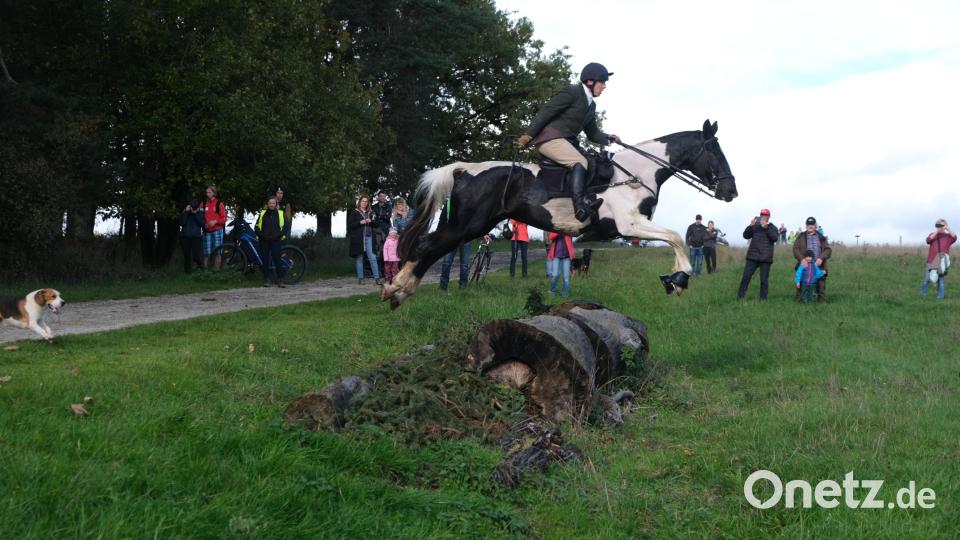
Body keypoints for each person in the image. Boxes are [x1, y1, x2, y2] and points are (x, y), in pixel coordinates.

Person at [516, 63, 621, 223]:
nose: (605, 87)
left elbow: (592, 133)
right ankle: (580, 206)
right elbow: (547, 112)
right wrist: (528, 135)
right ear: (590, 81)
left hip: (566, 142)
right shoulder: (573, 91)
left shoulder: (591, 105)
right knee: (580, 162)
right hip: (550, 139)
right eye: (603, 82)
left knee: (591, 163)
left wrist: (608, 138)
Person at [737, 209, 779, 301]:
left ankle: (763, 299)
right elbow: (745, 235)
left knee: (764, 280)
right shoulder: (755, 226)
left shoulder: (772, 227)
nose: (763, 217)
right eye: (762, 215)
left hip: (765, 258)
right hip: (752, 256)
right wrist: (750, 225)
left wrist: (766, 228)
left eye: (765, 215)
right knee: (746, 277)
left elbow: (775, 238)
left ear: (769, 217)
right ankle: (740, 298)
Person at [791, 216, 833, 303]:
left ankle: (821, 302)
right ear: (806, 226)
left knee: (821, 286)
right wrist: (802, 259)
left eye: (812, 224)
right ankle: (800, 302)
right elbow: (795, 249)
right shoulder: (801, 236)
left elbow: (828, 250)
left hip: (818, 265)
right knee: (802, 285)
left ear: (815, 226)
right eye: (808, 224)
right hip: (805, 265)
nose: (810, 226)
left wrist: (821, 258)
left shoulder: (821, 237)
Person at [348, 195, 382, 285]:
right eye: (363, 201)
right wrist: (360, 222)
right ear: (359, 202)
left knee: (373, 258)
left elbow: (377, 224)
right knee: (360, 258)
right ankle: (361, 278)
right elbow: (350, 225)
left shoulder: (371, 212)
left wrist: (371, 221)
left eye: (366, 201)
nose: (364, 203)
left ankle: (377, 278)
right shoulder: (354, 212)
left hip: (369, 237)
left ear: (368, 203)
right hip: (359, 239)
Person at [254, 196, 287, 287]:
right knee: (265, 260)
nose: (271, 204)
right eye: (270, 203)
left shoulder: (280, 213)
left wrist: (278, 236)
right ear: (267, 204)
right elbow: (256, 227)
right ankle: (267, 280)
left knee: (277, 260)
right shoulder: (262, 213)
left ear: (276, 204)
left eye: (273, 203)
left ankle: (280, 280)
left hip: (276, 240)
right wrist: (262, 236)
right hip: (264, 240)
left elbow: (285, 227)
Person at [921, 218, 957, 300]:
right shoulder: (933, 235)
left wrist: (947, 228)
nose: (941, 227)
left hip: (942, 263)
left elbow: (955, 237)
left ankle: (940, 298)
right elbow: (928, 240)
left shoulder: (948, 237)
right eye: (939, 225)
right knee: (927, 279)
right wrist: (937, 231)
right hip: (931, 261)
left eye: (942, 225)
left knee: (941, 281)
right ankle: (922, 295)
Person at [200, 185, 228, 271]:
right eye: (206, 192)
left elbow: (224, 218)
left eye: (209, 192)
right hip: (206, 231)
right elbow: (199, 217)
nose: (207, 194)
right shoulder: (203, 204)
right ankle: (205, 273)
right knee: (206, 253)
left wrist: (215, 221)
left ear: (214, 193)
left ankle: (216, 273)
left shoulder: (219, 204)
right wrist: (203, 223)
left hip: (217, 231)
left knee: (218, 252)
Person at [178, 198, 204, 273]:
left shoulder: (200, 213)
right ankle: (187, 272)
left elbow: (202, 224)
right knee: (187, 256)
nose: (193, 208)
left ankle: (201, 268)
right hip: (185, 236)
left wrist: (195, 213)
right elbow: (182, 223)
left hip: (196, 237)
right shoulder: (185, 212)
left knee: (196, 256)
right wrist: (186, 212)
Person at [371, 190, 392, 275]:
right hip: (376, 230)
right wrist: (382, 216)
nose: (382, 198)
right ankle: (377, 271)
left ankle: (385, 271)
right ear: (378, 197)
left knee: (385, 250)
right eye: (381, 196)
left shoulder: (389, 206)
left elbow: (388, 216)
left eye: (384, 196)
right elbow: (373, 218)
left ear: (385, 197)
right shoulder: (373, 206)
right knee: (377, 250)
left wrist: (379, 216)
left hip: (385, 230)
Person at [548, 232, 575, 297]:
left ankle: (565, 294)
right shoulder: (555, 229)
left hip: (566, 257)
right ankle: (552, 290)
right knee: (555, 275)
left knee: (566, 277)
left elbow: (574, 234)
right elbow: (550, 236)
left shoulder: (568, 231)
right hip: (556, 256)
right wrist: (559, 231)